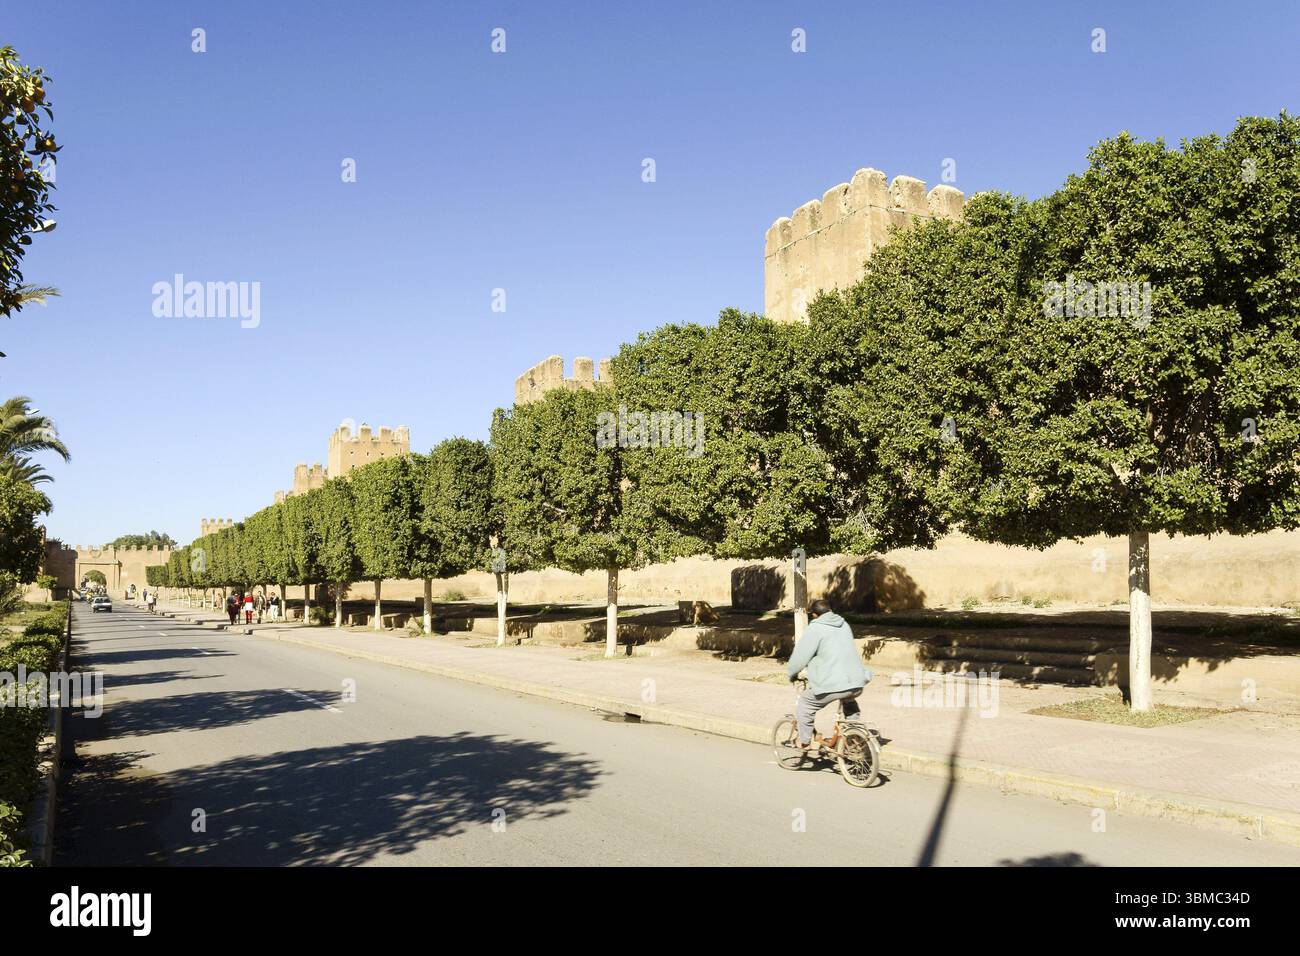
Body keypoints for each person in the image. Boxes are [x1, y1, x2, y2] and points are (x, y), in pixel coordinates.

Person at [786, 599, 872, 750]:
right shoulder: (844, 624)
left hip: (832, 683)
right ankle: (854, 737)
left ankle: (804, 741)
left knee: (805, 704)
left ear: (814, 615)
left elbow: (801, 656)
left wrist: (792, 673)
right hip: (856, 681)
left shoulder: (816, 628)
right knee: (849, 700)